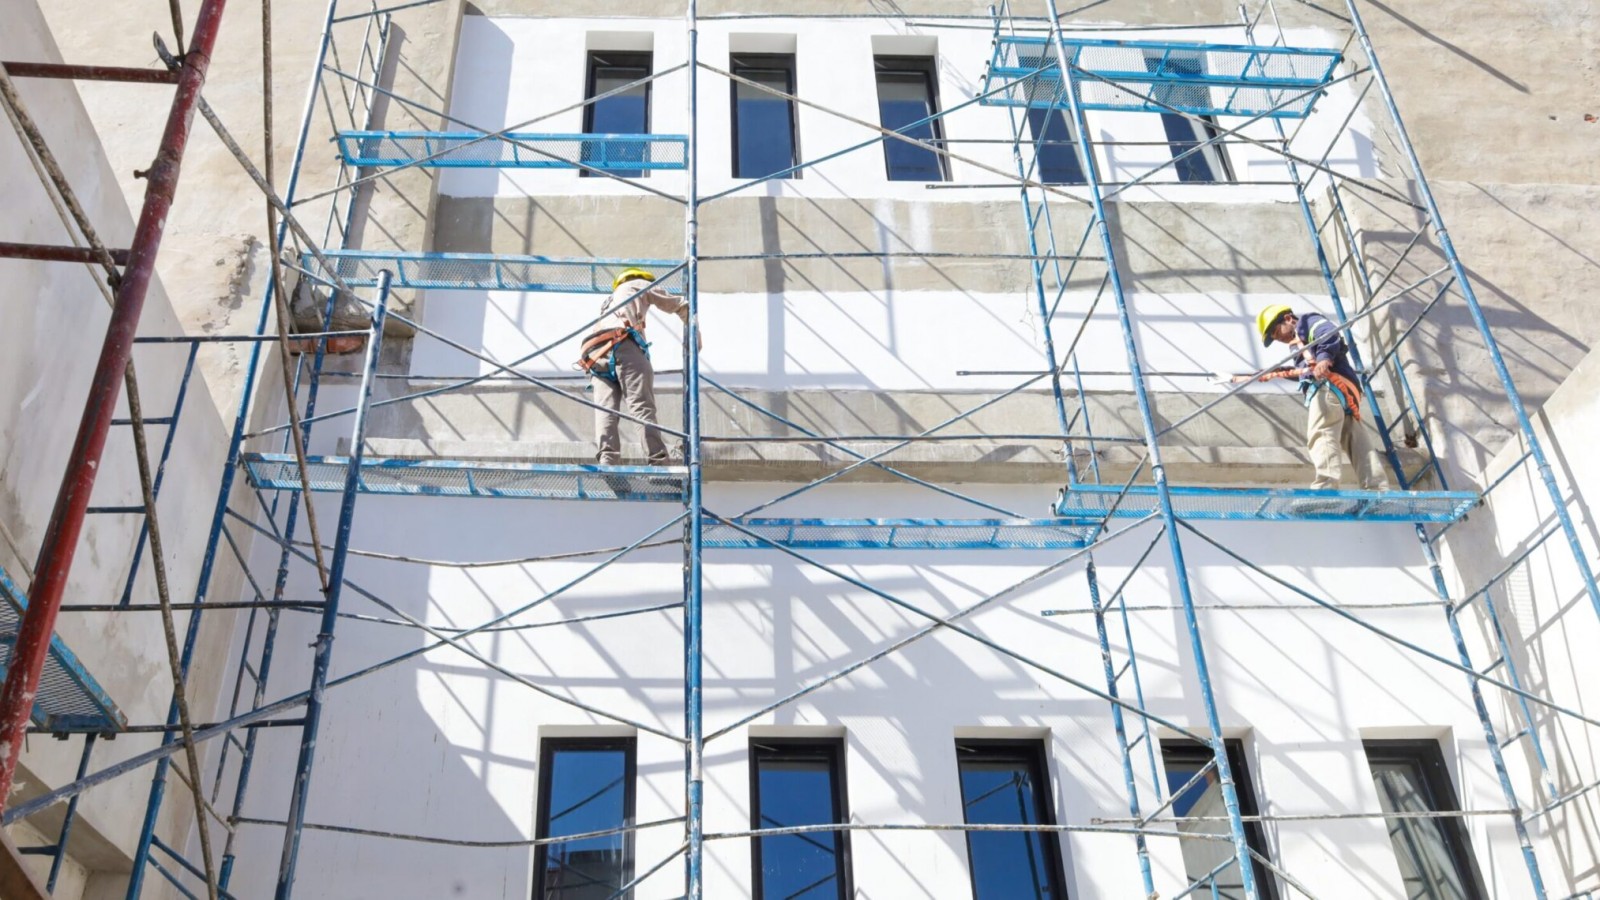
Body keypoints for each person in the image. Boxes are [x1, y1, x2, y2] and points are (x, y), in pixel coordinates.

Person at [1235, 304, 1389, 491]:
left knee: (1321, 432)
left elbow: (1329, 333)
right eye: (1276, 338)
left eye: (1277, 332)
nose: (1280, 339)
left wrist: (1324, 358)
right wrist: (1272, 373)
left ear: (1288, 318)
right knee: (1357, 443)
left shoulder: (1308, 321)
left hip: (1328, 387)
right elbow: (1306, 370)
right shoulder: (1299, 344)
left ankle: (1326, 488)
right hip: (1344, 393)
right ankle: (1377, 489)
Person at [577, 267, 698, 466]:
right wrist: (695, 329)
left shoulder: (609, 302)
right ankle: (657, 459)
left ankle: (608, 458)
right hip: (621, 343)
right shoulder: (637, 284)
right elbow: (677, 305)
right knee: (641, 405)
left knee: (605, 409)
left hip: (594, 352)